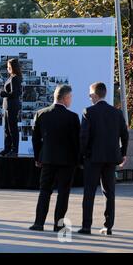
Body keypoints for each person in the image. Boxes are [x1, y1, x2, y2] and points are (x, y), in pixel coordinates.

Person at [78, 82, 129, 236]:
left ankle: (86, 226)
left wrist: (83, 155)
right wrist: (122, 154)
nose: (89, 96)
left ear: (95, 94)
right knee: (109, 193)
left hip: (93, 159)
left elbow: (84, 137)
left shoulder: (88, 112)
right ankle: (108, 227)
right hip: (111, 159)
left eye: (90, 94)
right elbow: (125, 135)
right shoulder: (117, 113)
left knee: (89, 192)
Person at [29, 85, 80, 232]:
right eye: (70, 97)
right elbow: (77, 142)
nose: (71, 100)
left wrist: (38, 157)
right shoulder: (73, 117)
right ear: (66, 98)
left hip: (48, 159)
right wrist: (78, 160)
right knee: (63, 193)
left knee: (44, 190)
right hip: (67, 161)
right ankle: (59, 225)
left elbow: (36, 139)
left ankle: (38, 223)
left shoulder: (41, 114)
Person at [0, 58, 22, 157]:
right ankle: (7, 148)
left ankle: (14, 150)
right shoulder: (11, 77)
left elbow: (15, 93)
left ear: (13, 67)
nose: (7, 68)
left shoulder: (15, 78)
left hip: (12, 106)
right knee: (7, 129)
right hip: (7, 106)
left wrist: (2, 93)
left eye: (9, 67)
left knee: (12, 128)